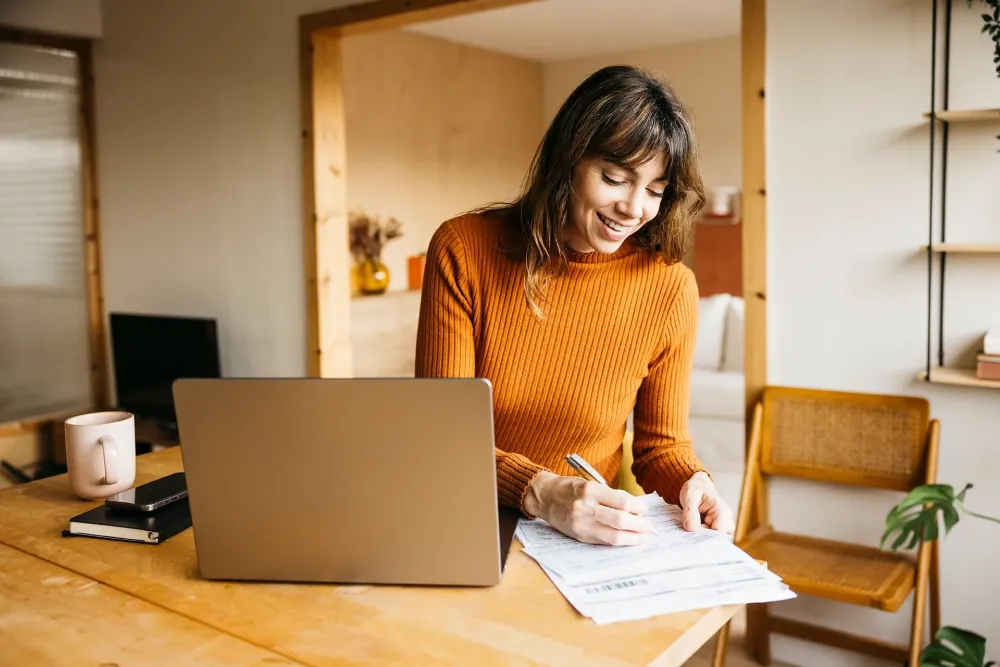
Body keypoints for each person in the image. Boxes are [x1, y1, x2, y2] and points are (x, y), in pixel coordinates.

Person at [415, 64, 735, 546]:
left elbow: (661, 447)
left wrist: (693, 481)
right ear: (567, 160)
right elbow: (442, 434)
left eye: (654, 190)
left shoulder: (669, 288)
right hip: (462, 520)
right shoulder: (465, 249)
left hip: (582, 545)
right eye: (614, 178)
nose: (634, 208)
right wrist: (540, 492)